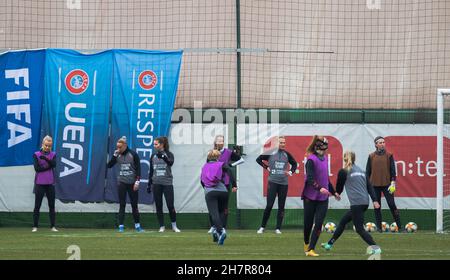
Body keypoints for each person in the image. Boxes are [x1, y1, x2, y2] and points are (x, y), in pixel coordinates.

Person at [321, 151, 382, 255]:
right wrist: (375, 200)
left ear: (344, 159)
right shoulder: (362, 171)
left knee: (359, 229)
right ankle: (329, 244)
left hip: (356, 204)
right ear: (354, 159)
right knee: (343, 221)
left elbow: (339, 188)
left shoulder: (343, 171)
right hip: (364, 202)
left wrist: (336, 194)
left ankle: (376, 248)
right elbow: (370, 187)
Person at [302, 136, 340, 257]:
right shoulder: (311, 160)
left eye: (325, 148)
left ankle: (311, 249)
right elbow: (310, 179)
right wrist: (320, 188)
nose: (323, 150)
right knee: (308, 224)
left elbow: (326, 179)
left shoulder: (325, 159)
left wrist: (334, 192)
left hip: (323, 198)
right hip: (310, 197)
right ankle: (306, 243)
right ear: (317, 147)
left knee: (318, 223)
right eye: (322, 148)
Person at [255, 136, 297, 234]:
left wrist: (291, 172)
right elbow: (258, 159)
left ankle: (278, 228)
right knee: (269, 205)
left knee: (281, 206)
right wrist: (267, 167)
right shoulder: (270, 152)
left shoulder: (287, 154)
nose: (282, 144)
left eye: (284, 143)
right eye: (281, 142)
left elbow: (294, 164)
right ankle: (262, 227)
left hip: (284, 183)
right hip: (272, 182)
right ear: (276, 143)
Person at [207, 135, 244, 234]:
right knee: (213, 206)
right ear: (215, 142)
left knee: (224, 207)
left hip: (225, 182)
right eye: (218, 141)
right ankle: (213, 226)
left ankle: (222, 227)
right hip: (213, 182)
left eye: (221, 141)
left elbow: (241, 160)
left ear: (223, 142)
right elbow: (208, 166)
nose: (219, 143)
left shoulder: (228, 152)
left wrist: (231, 165)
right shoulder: (212, 153)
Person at [366, 136, 403, 233]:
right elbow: (367, 172)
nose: (382, 144)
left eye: (383, 142)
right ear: (376, 144)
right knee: (377, 206)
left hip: (387, 185)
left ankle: (400, 227)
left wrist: (393, 183)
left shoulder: (389, 155)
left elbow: (393, 171)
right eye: (380, 142)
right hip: (374, 185)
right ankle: (379, 228)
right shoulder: (371, 156)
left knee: (392, 204)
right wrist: (368, 185)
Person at [201, 149, 237, 245]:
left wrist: (206, 189)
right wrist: (234, 185)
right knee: (222, 212)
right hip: (223, 191)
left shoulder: (205, 166)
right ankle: (217, 232)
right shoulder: (221, 164)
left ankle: (221, 231)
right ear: (218, 157)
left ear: (208, 157)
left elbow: (202, 181)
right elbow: (230, 170)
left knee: (214, 213)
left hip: (210, 192)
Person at [107, 136, 143, 232]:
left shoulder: (133, 154)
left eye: (120, 147)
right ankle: (121, 226)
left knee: (134, 205)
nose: (118, 149)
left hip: (132, 183)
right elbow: (109, 166)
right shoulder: (117, 155)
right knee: (122, 204)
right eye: (117, 147)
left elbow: (138, 169)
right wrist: (114, 156)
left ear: (125, 146)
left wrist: (137, 182)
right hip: (122, 182)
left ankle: (137, 226)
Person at [146, 136, 180, 233]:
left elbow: (170, 163)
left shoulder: (169, 154)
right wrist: (149, 184)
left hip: (167, 183)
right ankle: (162, 226)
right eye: (154, 144)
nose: (154, 146)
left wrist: (164, 157)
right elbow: (151, 171)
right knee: (159, 205)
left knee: (170, 205)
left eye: (156, 144)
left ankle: (174, 226)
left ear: (162, 145)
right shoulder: (153, 156)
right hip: (156, 183)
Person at [32, 135, 58, 232]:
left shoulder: (53, 154)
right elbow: (37, 169)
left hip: (50, 183)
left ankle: (52, 226)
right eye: (46, 145)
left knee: (52, 205)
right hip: (40, 183)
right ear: (42, 144)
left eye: (49, 146)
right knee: (37, 205)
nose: (47, 147)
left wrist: (46, 159)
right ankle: (35, 226)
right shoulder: (36, 154)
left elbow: (54, 164)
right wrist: (49, 165)